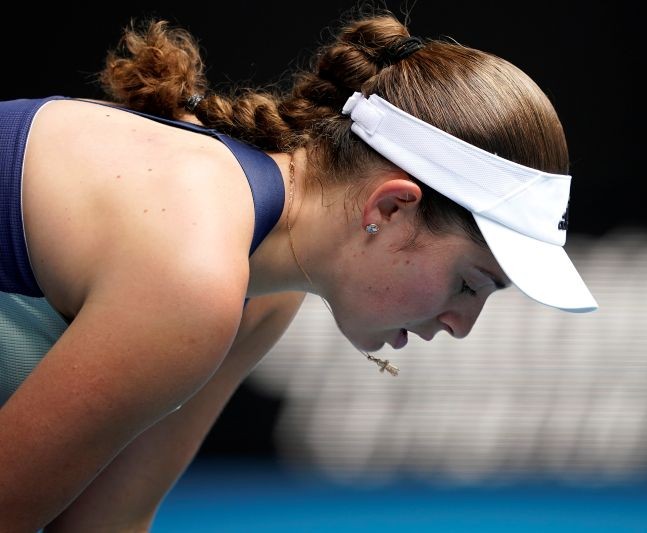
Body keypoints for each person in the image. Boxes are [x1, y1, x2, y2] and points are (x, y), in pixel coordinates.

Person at [0, 3, 597, 530]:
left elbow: (110, 521)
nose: (462, 325)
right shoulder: (194, 280)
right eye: (470, 284)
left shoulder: (266, 291)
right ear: (390, 208)